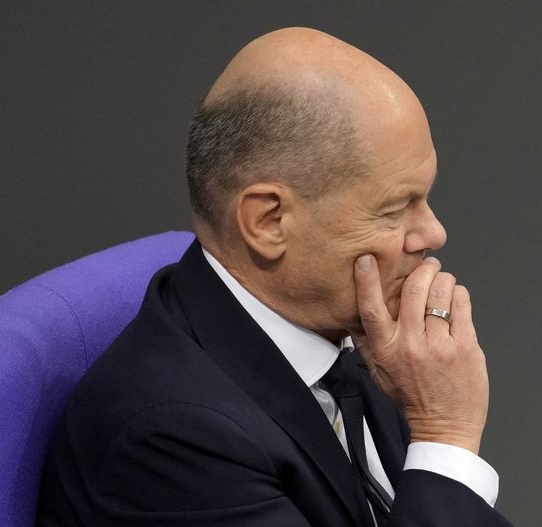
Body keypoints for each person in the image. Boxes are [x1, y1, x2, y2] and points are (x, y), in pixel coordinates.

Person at [37, 27, 514, 526]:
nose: (433, 232)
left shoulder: (352, 341)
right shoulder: (172, 437)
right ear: (268, 222)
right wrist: (444, 434)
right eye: (395, 209)